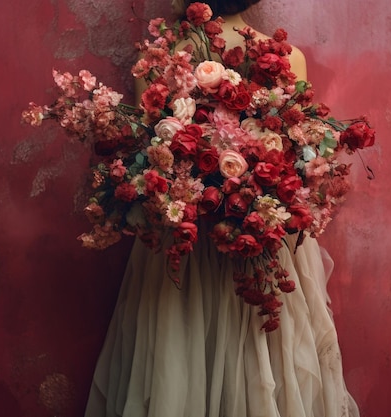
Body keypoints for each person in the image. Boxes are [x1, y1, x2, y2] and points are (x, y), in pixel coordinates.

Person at [84, 1, 360, 416]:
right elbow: (296, 154)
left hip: (185, 239)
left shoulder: (158, 58)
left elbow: (151, 150)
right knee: (266, 359)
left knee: (179, 360)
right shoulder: (287, 57)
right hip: (260, 234)